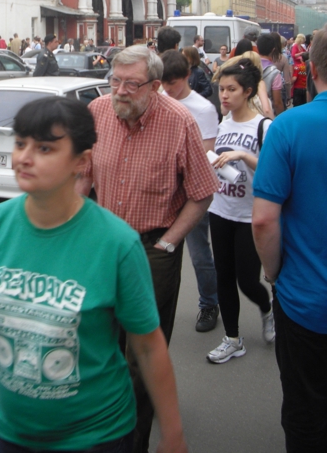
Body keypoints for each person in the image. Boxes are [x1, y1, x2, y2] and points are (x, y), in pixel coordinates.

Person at [0, 97, 188, 453]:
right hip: (13, 434)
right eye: (20, 143)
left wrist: (173, 432)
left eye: (44, 148)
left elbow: (149, 348)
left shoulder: (117, 243)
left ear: (81, 161)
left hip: (96, 437)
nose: (24, 157)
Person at [77, 45, 217, 452]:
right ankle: (99, 429)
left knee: (141, 357)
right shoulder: (99, 112)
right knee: (99, 346)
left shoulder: (179, 123)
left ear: (155, 87)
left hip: (152, 248)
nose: (119, 91)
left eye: (131, 84)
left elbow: (202, 193)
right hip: (103, 245)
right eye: (114, 81)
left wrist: (170, 242)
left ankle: (134, 441)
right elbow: (83, 177)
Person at [252, 26, 327, 453]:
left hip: (306, 304)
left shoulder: (288, 129)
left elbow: (263, 220)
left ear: (311, 69)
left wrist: (274, 271)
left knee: (305, 415)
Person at [206, 59, 274, 364]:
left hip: (249, 215)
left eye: (231, 89)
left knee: (247, 281)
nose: (224, 95)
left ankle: (268, 308)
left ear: (247, 91)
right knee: (224, 277)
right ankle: (233, 339)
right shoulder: (222, 124)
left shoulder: (264, 126)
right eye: (221, 89)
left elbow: (273, 173)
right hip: (221, 210)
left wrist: (244, 155)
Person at [161, 50, 219, 333]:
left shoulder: (203, 109)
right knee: (162, 256)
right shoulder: (158, 101)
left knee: (198, 255)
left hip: (192, 194)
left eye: (172, 83)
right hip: (163, 192)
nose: (167, 89)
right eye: (163, 83)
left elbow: (207, 154)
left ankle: (209, 303)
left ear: (187, 76)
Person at [257, 34, 285, 115]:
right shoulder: (275, 73)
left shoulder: (248, 66)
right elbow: (277, 103)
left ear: (257, 48)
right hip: (266, 115)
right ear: (273, 50)